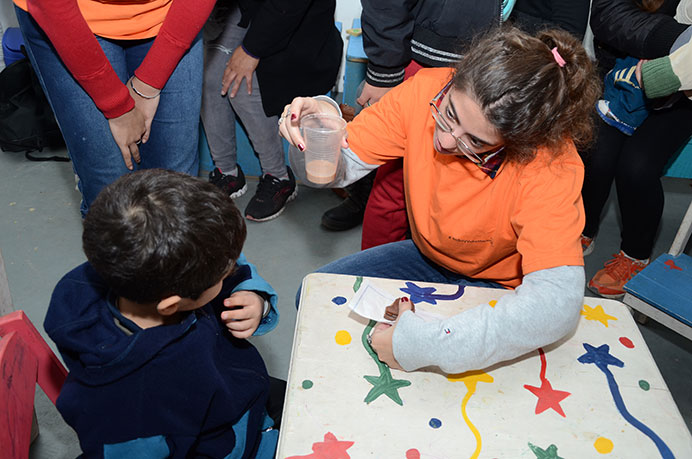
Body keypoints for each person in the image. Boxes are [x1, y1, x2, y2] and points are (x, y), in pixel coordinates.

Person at [280, 26, 601, 374]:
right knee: (313, 298)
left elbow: (557, 304)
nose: (447, 141)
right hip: (427, 256)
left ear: (519, 141)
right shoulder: (423, 90)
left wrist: (419, 344)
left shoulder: (551, 163)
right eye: (449, 113)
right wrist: (317, 127)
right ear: (455, 79)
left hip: (503, 283)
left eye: (476, 142)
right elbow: (336, 172)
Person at [44, 169, 281, 457]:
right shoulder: (129, 414)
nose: (231, 272)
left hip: (238, 387)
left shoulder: (132, 265)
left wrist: (255, 297)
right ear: (172, 305)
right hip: (232, 443)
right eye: (223, 275)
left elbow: (221, 260)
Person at [321, 0, 511, 239]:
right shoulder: (422, 86)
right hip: (431, 56)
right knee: (394, 179)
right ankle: (364, 197)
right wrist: (384, 72)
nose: (448, 141)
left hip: (505, 67)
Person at [13, 0, 215, 216]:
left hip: (170, 11)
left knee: (175, 190)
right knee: (111, 194)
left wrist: (148, 85)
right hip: (68, 16)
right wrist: (117, 106)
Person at [581, 0, 692, 299]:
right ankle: (583, 229)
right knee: (597, 150)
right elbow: (607, 16)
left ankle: (634, 255)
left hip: (684, 90)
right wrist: (682, 39)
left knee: (637, 166)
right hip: (626, 71)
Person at [202, 0, 342, 221]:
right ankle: (226, 173)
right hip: (239, 8)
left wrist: (251, 50)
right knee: (210, 80)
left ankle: (278, 176)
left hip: (291, 16)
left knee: (241, 86)